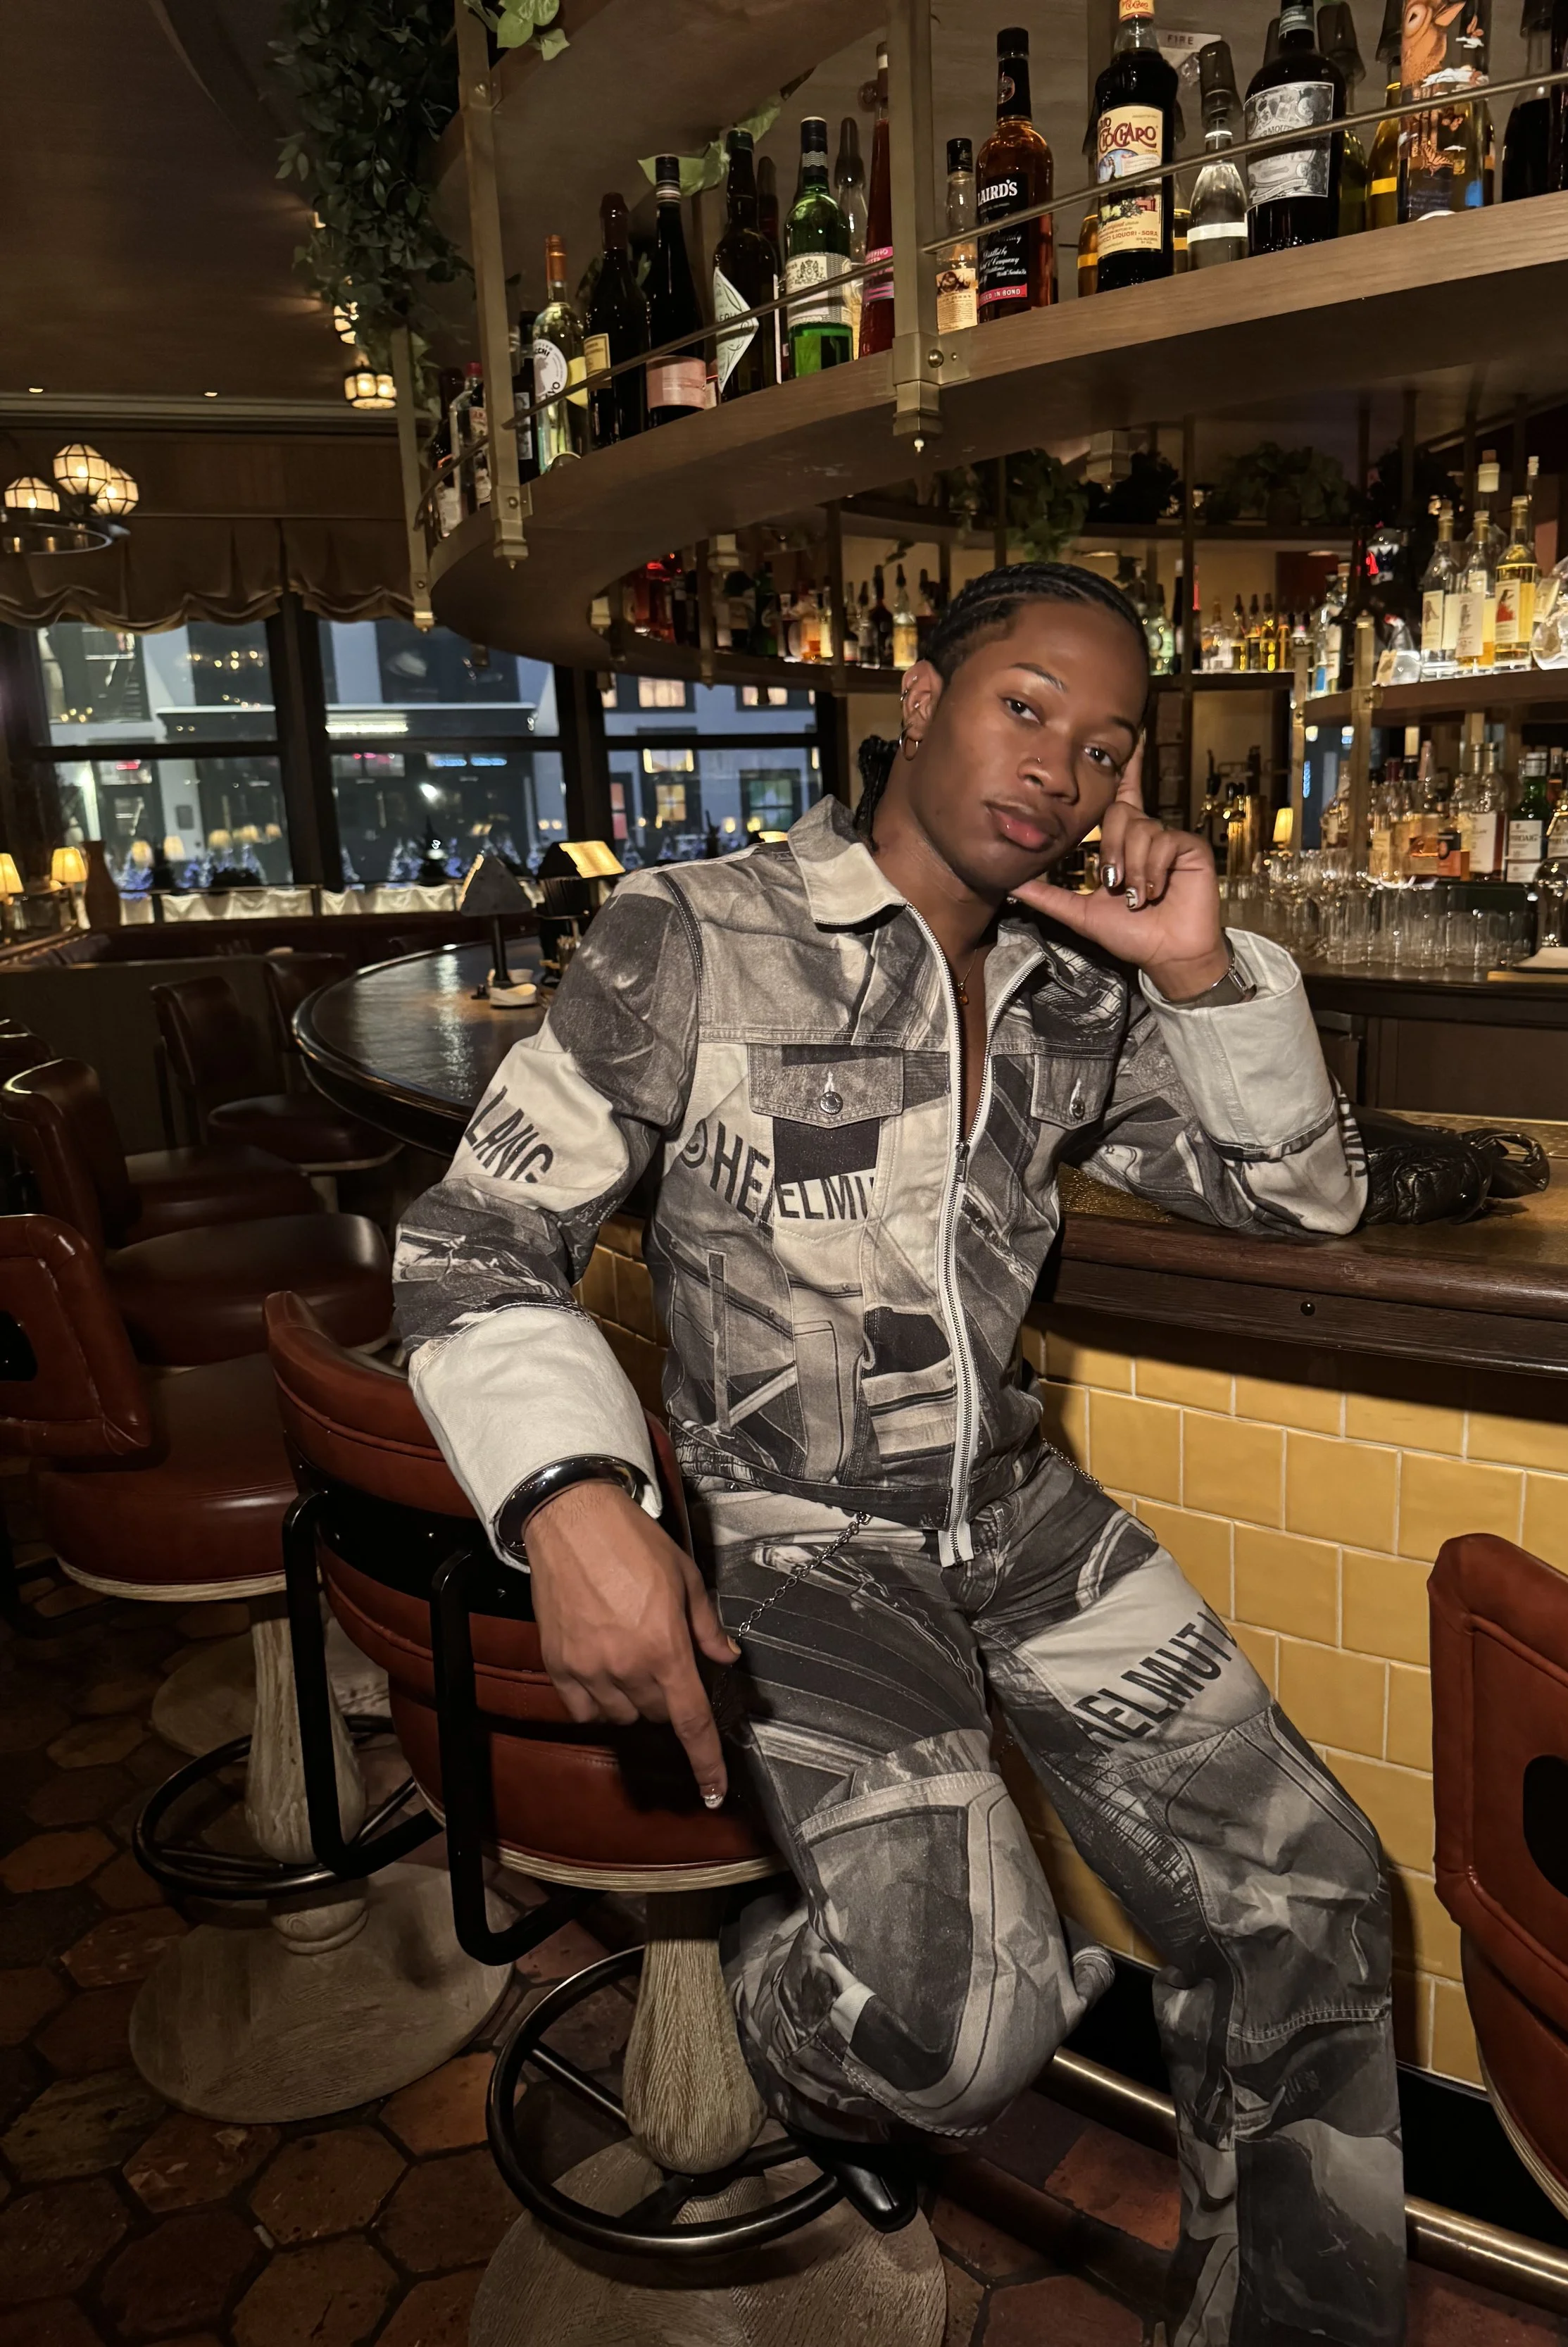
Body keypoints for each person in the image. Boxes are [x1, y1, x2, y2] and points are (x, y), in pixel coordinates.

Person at [395, 563, 1402, 2347]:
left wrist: (1201, 969)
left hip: (1015, 1520)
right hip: (799, 1542)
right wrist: (572, 1498)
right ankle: (772, 2021)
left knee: (1313, 1894)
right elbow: (474, 1238)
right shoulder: (694, 931)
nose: (1062, 771)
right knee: (959, 2020)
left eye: (1108, 748)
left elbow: (1294, 1197)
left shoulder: (1074, 987)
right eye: (1025, 707)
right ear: (920, 696)